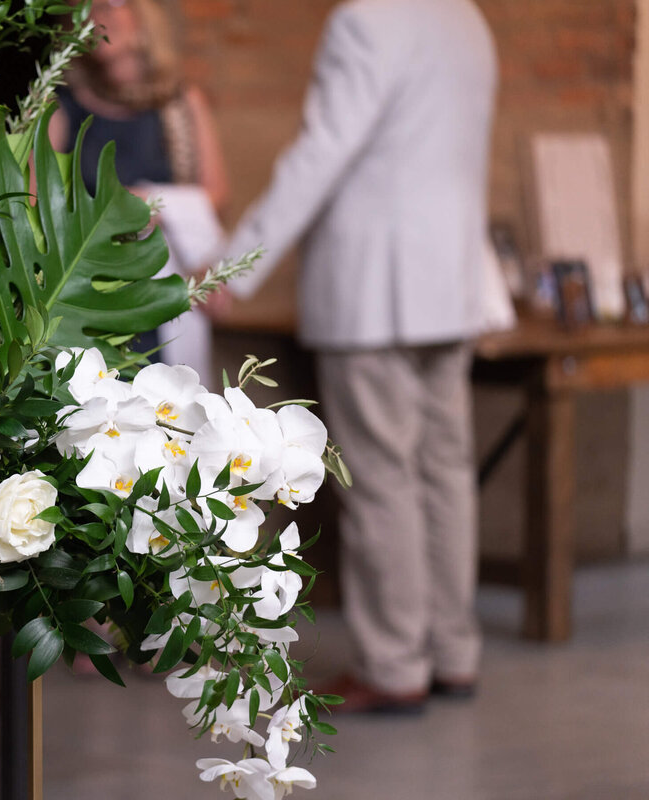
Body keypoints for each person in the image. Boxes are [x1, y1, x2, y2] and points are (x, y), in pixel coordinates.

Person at [220, 0, 498, 713]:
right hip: (453, 282)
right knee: (444, 469)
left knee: (381, 478)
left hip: (378, 288)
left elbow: (323, 152)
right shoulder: (464, 18)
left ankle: (394, 664)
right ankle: (452, 650)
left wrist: (236, 265)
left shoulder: (366, 20)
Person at [49, 0, 228, 384]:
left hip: (166, 288)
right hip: (93, 295)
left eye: (111, 5)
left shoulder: (180, 104)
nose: (98, 17)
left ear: (144, 16)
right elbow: (37, 202)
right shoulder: (61, 109)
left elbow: (215, 193)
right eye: (87, 8)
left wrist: (146, 202)